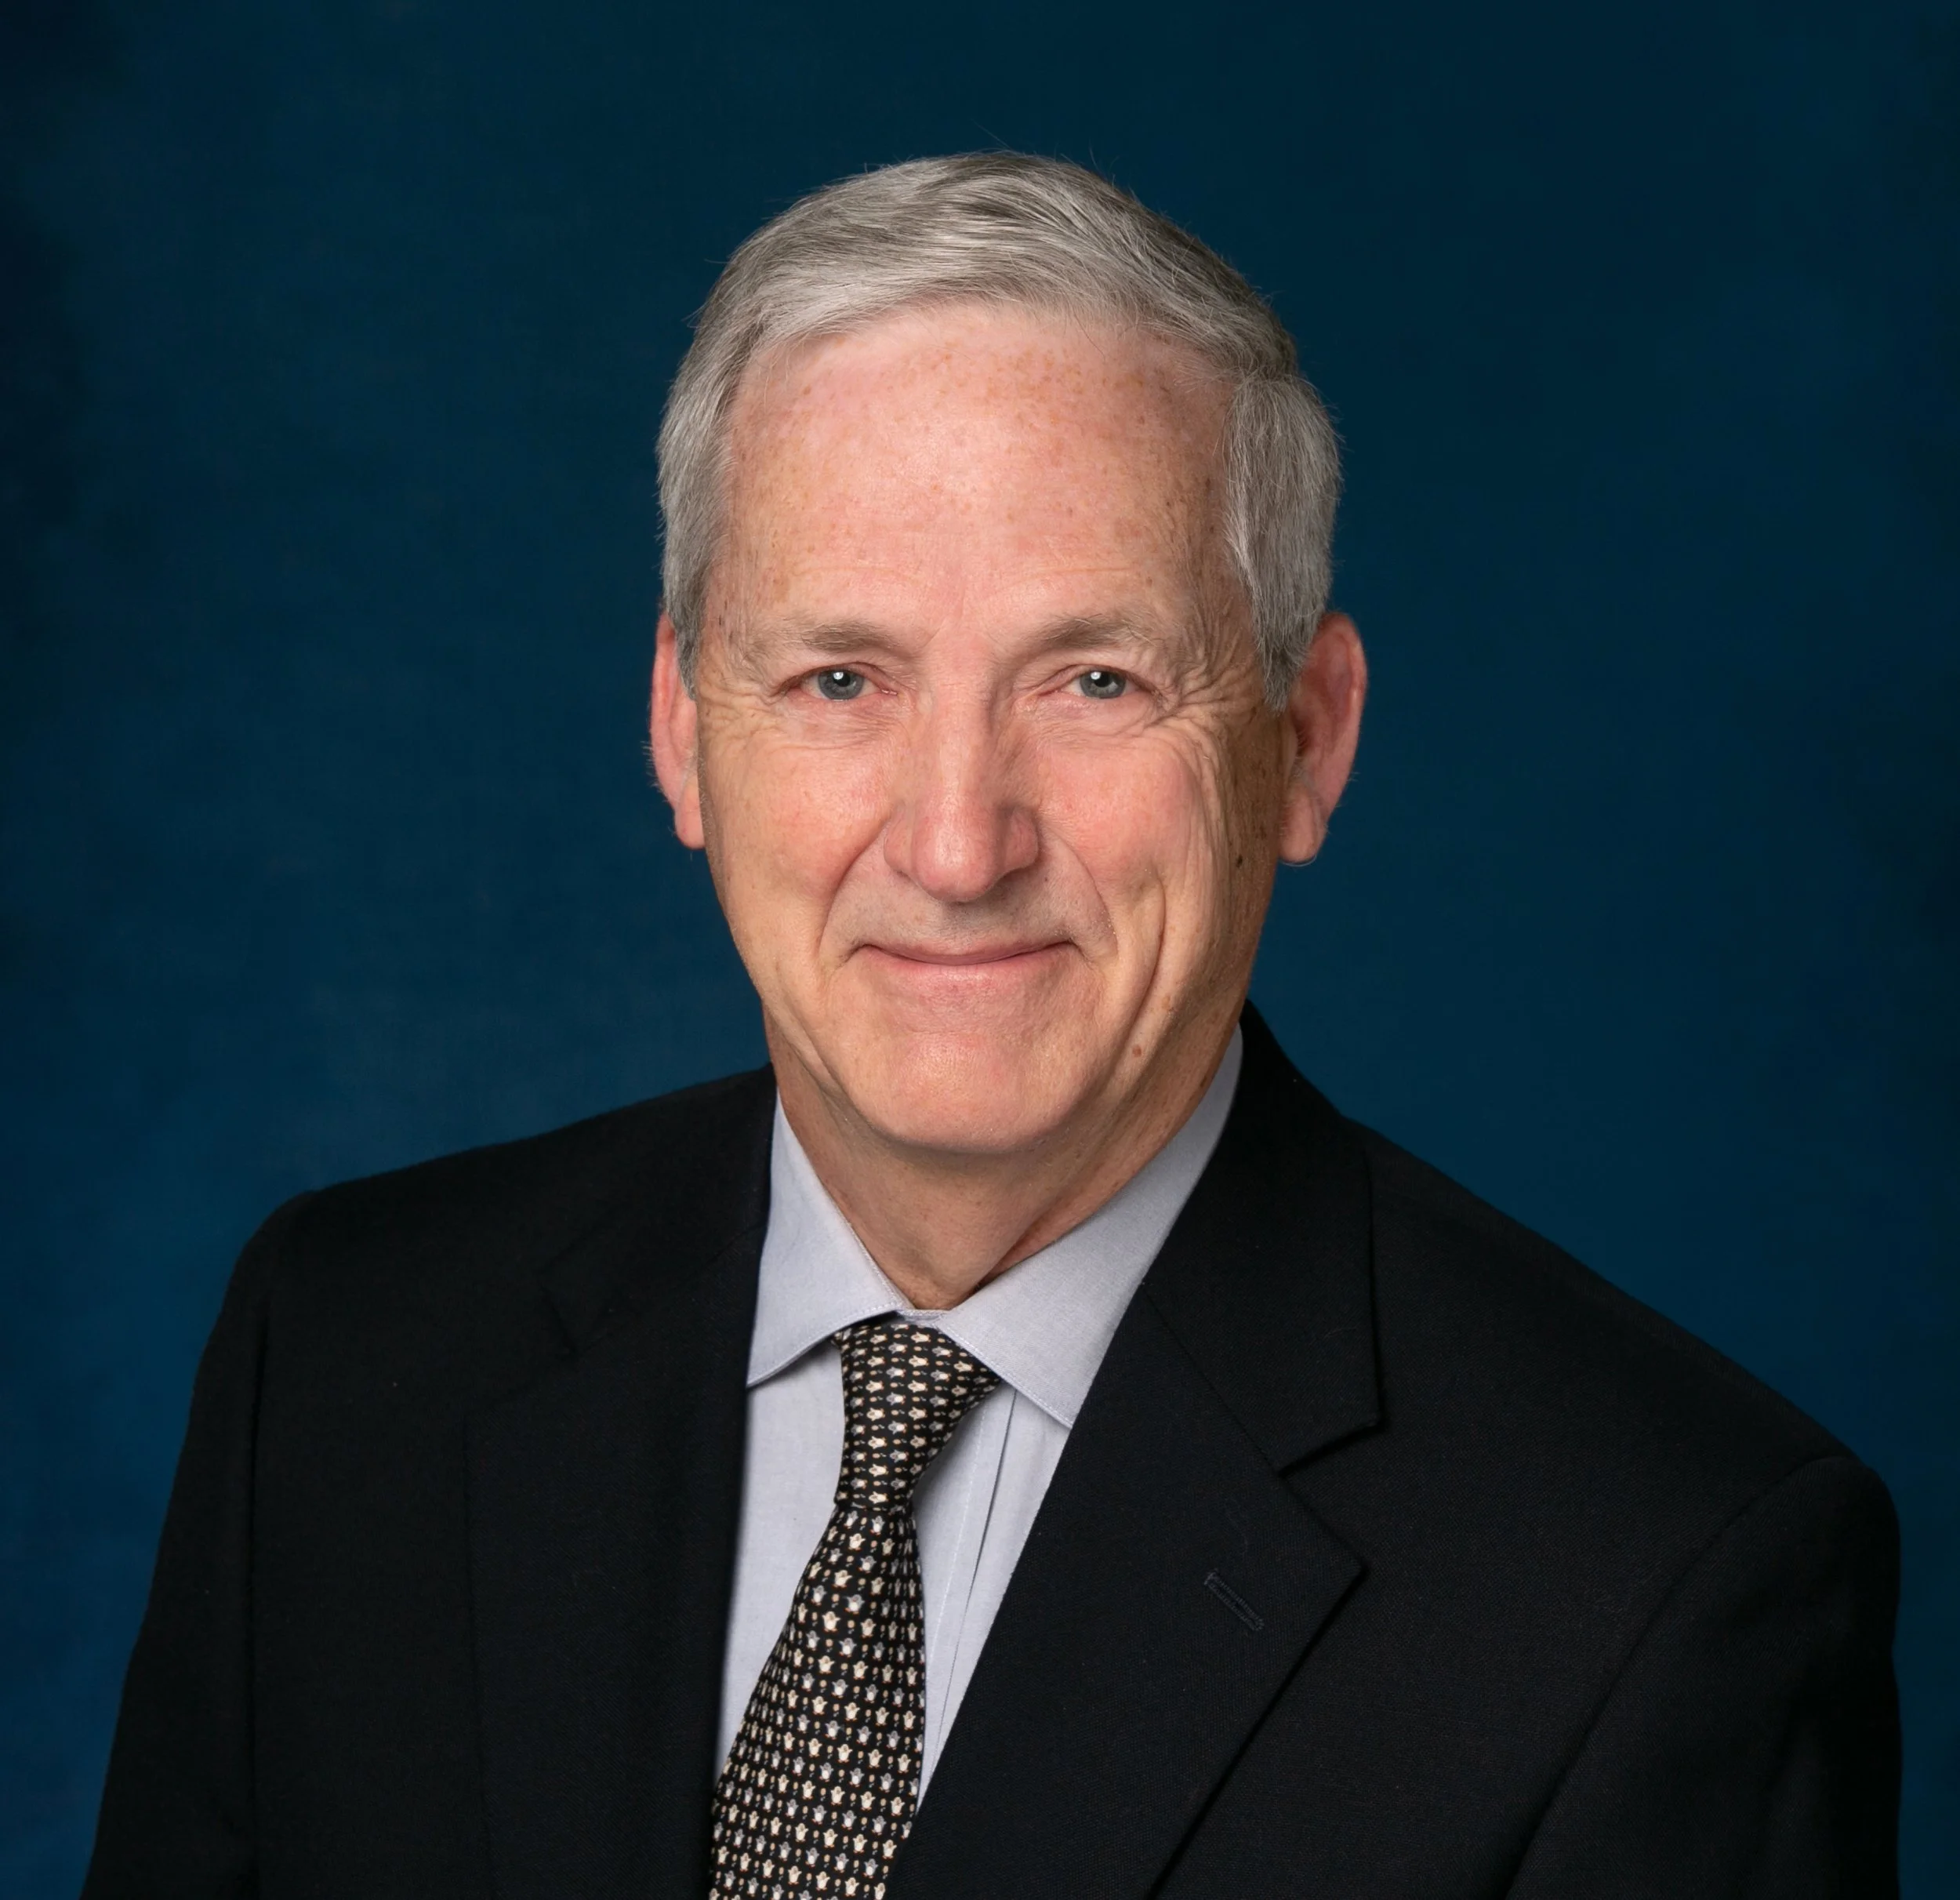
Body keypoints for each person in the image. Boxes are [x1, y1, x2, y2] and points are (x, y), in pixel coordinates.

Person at [83, 154, 1900, 1900]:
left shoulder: (1656, 1572)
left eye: (1094, 678)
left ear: (1306, 734)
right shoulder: (343, 1361)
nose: (956, 842)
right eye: (839, 679)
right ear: (679, 726)